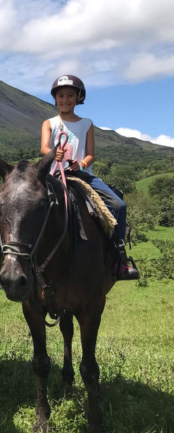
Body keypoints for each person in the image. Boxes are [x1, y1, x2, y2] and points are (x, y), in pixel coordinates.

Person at [40, 74, 139, 280]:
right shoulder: (49, 123)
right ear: (55, 98)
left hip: (83, 175)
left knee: (119, 205)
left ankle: (118, 260)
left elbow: (91, 154)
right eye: (60, 96)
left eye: (70, 95)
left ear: (78, 98)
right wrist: (52, 153)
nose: (65, 100)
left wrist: (81, 163)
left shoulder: (86, 124)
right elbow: (43, 148)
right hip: (54, 175)